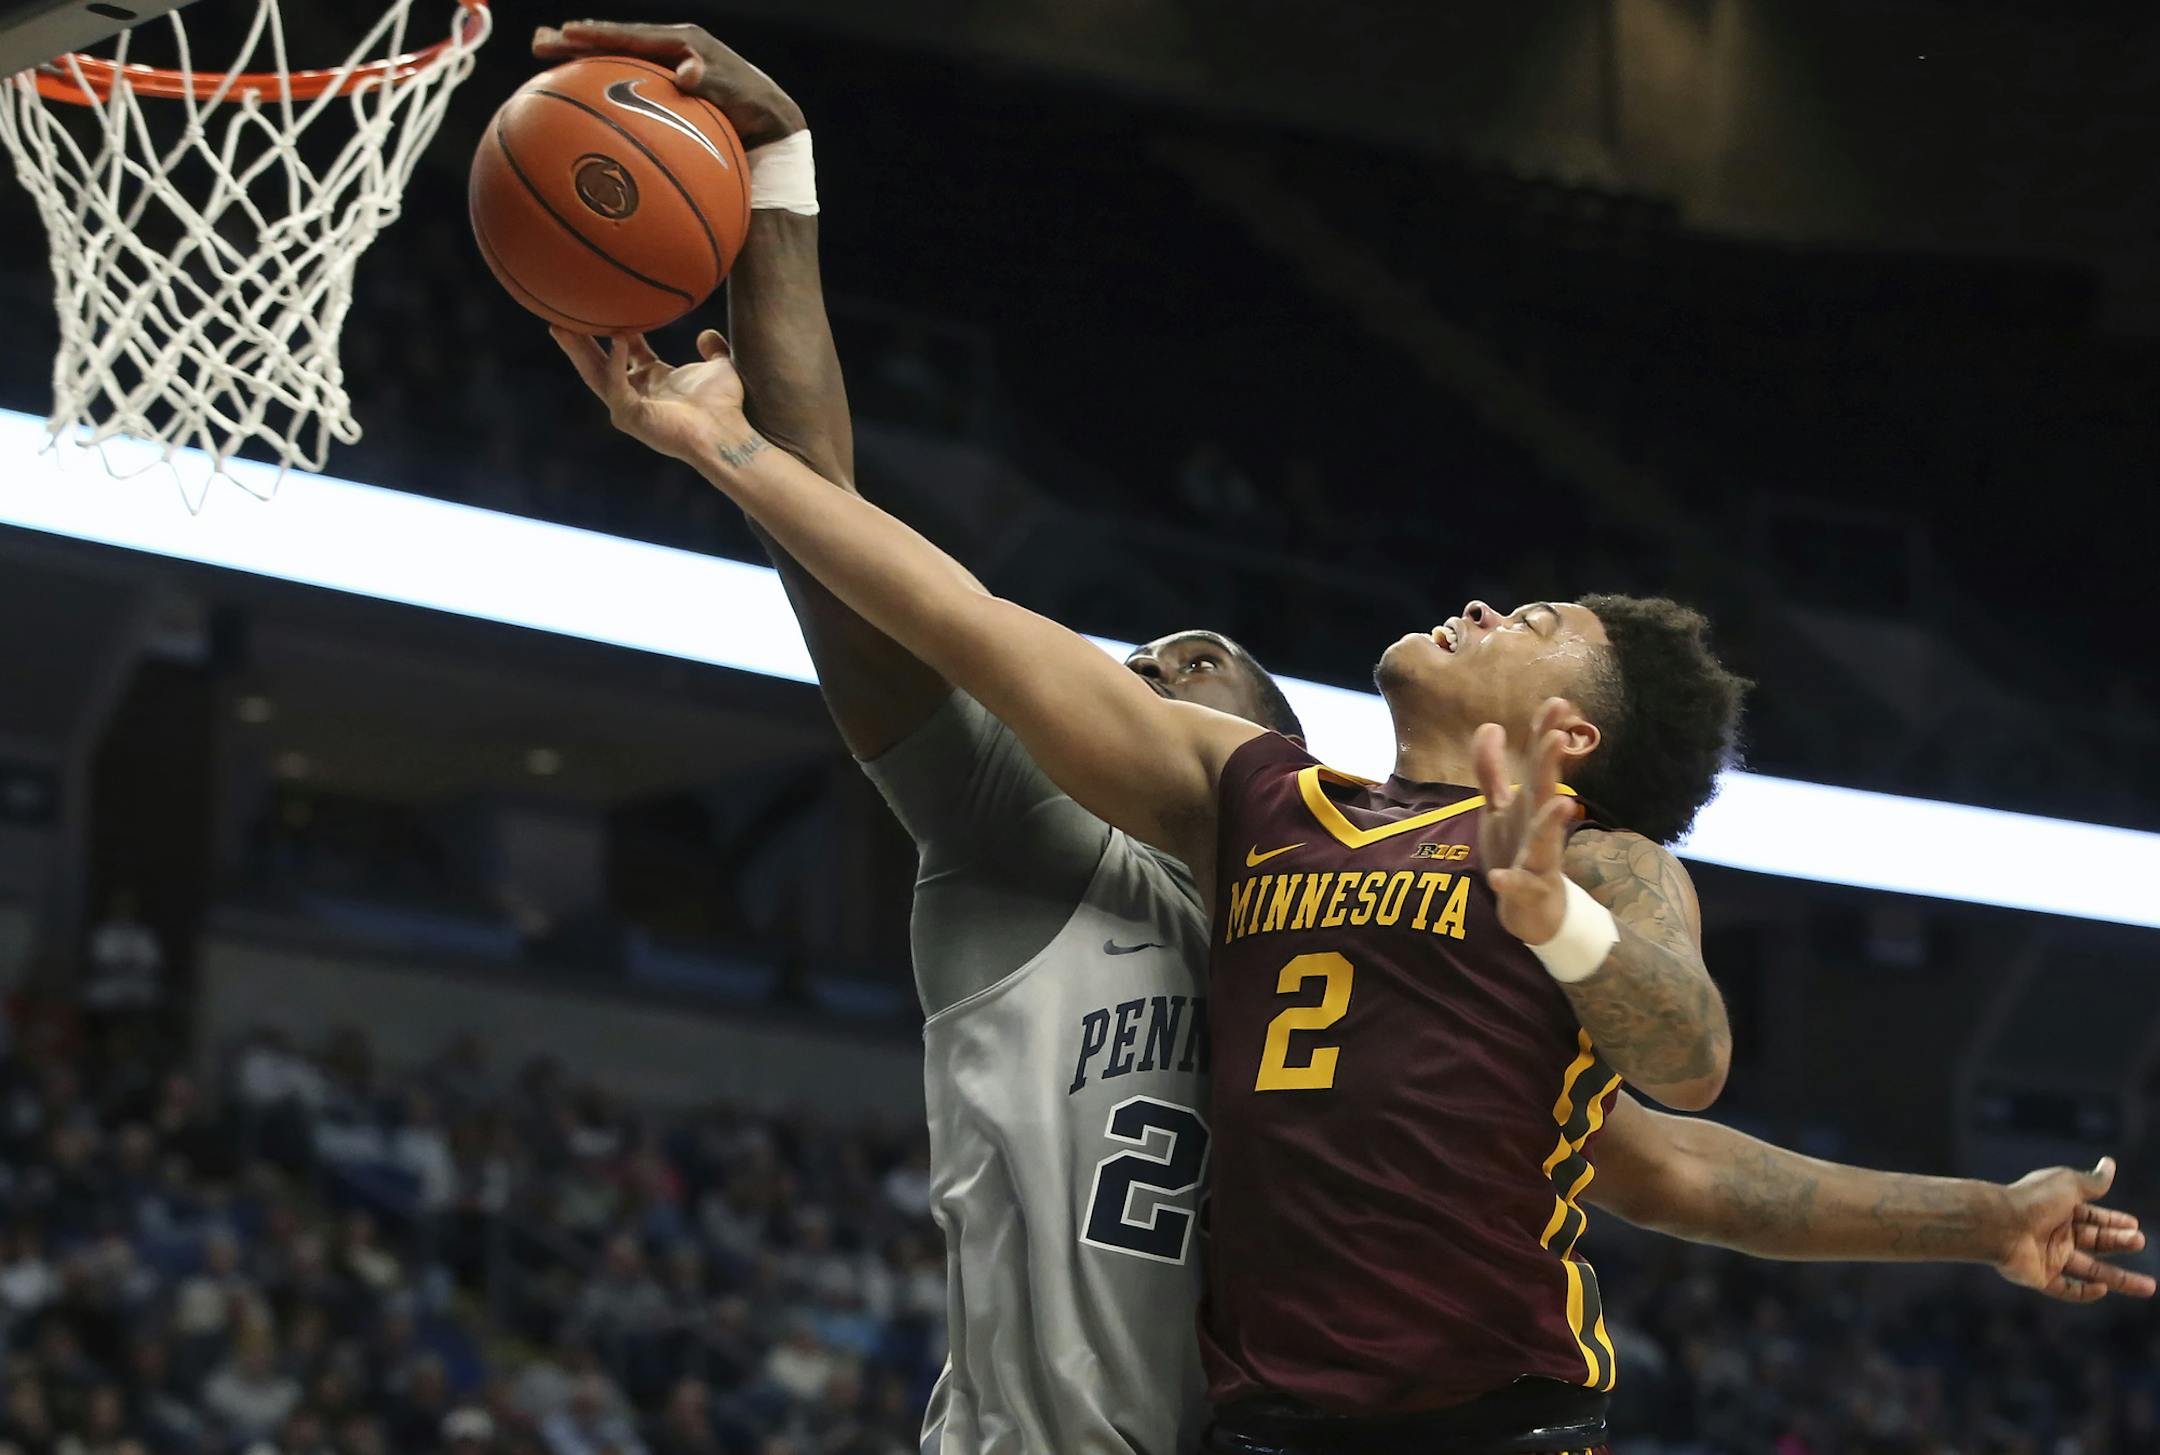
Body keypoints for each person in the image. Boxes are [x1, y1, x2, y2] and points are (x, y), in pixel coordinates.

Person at [536, 23, 2154, 1455]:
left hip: (1495, 1426)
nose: (1146, 667)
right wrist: (731, 449)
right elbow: (936, 604)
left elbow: (1687, 1091)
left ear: (1570, 735)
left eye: (1534, 623)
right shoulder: (1245, 814)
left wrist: (1566, 921)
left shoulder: (1595, 862)